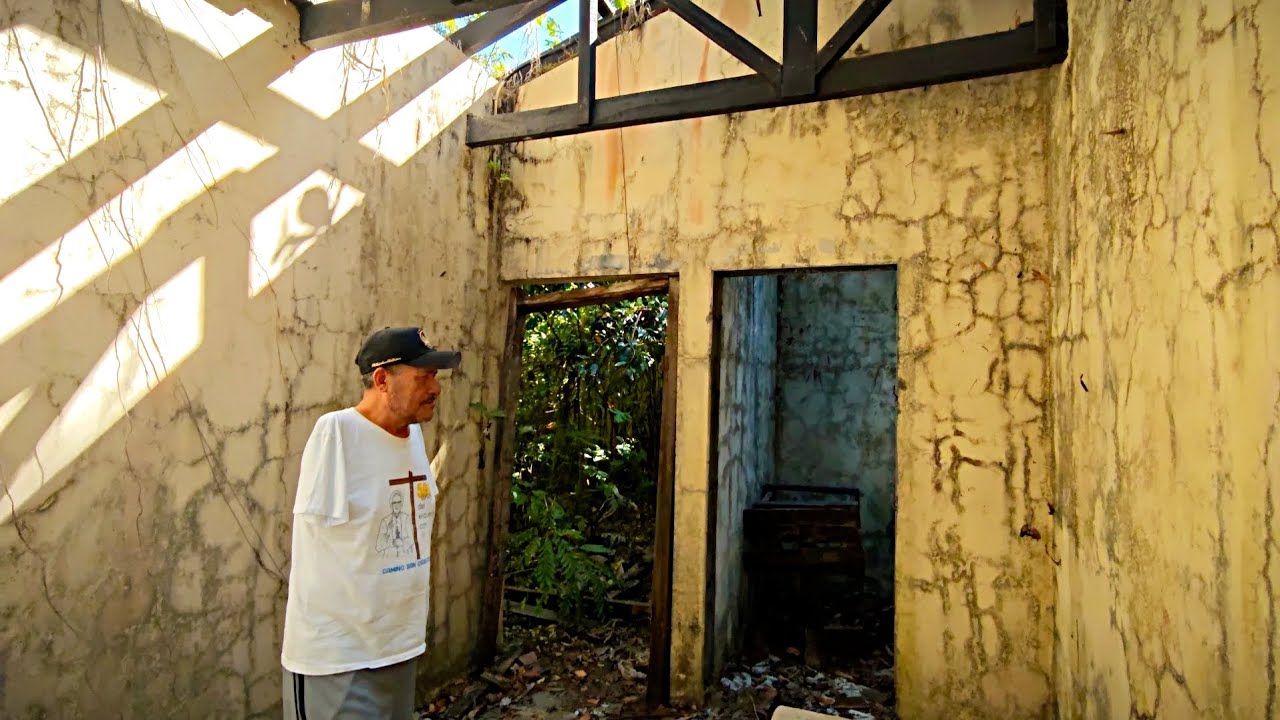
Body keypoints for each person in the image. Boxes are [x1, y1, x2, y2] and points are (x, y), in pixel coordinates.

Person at [281, 326, 461, 720]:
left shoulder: (411, 434)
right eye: (423, 376)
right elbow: (314, 547)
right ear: (382, 379)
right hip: (339, 659)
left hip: (398, 649)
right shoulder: (337, 433)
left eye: (435, 376)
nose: (436, 388)